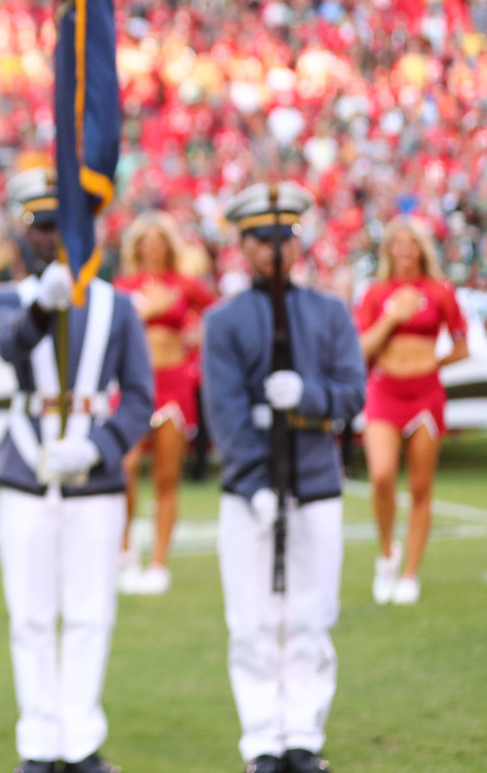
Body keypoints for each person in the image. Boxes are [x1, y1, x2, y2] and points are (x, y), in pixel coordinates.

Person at [0, 166, 154, 773]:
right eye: (40, 225)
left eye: (62, 225)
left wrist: (101, 447)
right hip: (26, 469)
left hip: (92, 477)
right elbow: (7, 346)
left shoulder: (118, 305)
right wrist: (39, 311)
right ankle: (39, 741)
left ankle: (79, 740)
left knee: (89, 613)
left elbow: (138, 396)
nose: (51, 236)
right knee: (30, 615)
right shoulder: (8, 297)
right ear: (24, 232)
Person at [202, 182, 366, 773]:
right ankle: (262, 741)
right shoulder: (223, 321)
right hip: (251, 493)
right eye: (262, 239)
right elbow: (223, 410)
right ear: (243, 245)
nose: (274, 249)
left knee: (310, 617)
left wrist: (310, 397)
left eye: (284, 237)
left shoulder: (329, 312)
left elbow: (352, 392)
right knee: (251, 620)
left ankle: (303, 735)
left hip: (316, 481)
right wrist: (254, 481)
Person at [355, 215, 468, 605]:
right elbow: (363, 348)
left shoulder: (439, 291)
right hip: (385, 393)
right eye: (397, 242)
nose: (404, 249)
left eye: (411, 242)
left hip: (425, 395)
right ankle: (387, 552)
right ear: (388, 250)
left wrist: (431, 366)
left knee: (421, 487)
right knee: (381, 476)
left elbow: (461, 345)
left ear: (421, 248)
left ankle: (409, 574)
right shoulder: (375, 293)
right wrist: (393, 317)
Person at [113, 210, 214, 595]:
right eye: (146, 240)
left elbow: (215, 315)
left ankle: (158, 561)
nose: (153, 246)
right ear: (137, 246)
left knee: (166, 477)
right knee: (125, 467)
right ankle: (125, 550)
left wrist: (193, 338)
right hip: (135, 385)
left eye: (159, 239)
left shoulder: (184, 285)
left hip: (174, 384)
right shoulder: (123, 286)